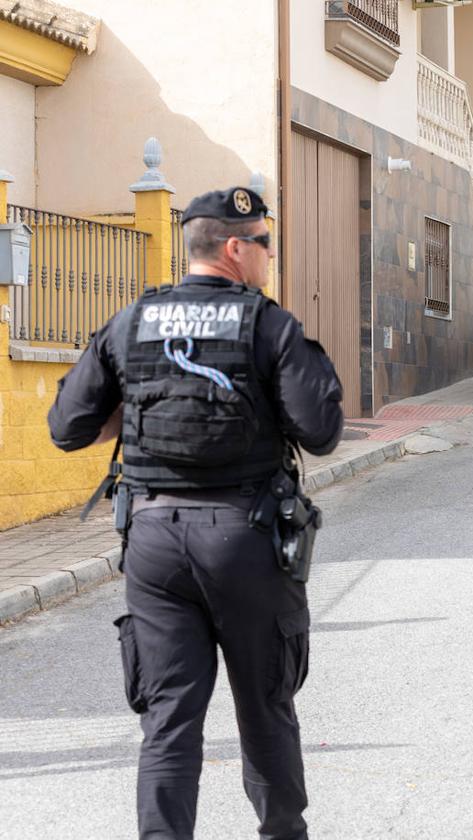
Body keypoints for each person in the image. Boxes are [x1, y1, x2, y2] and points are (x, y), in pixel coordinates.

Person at [48, 187, 344, 840]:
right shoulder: (268, 325)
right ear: (235, 248)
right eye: (265, 242)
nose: (271, 255)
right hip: (246, 538)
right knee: (265, 710)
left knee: (168, 721)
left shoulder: (133, 322)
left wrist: (131, 410)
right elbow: (320, 430)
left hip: (153, 541)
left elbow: (69, 427)